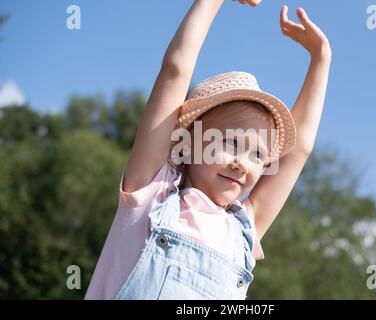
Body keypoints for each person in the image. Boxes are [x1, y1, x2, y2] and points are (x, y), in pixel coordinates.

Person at [85, 0, 331, 300]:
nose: (244, 164)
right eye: (231, 143)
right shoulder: (151, 194)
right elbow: (175, 71)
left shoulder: (243, 232)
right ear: (187, 143)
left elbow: (298, 150)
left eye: (258, 155)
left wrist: (321, 58)